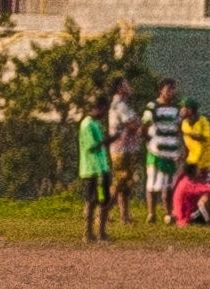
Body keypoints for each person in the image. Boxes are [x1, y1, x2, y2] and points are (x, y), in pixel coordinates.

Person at [104, 77, 144, 225]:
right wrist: (142, 124)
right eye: (126, 84)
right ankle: (103, 212)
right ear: (120, 88)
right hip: (121, 149)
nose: (129, 86)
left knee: (124, 184)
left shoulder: (121, 105)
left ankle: (124, 216)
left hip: (124, 148)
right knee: (120, 180)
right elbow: (133, 123)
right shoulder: (120, 106)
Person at [145, 79, 185, 220]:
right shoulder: (153, 106)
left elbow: (180, 129)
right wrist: (150, 142)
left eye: (173, 89)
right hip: (156, 152)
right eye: (168, 89)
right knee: (152, 183)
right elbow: (145, 124)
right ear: (161, 90)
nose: (171, 92)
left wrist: (182, 149)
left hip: (171, 152)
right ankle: (151, 213)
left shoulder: (176, 108)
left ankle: (168, 213)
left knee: (168, 185)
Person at [78, 102, 112, 244]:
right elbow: (91, 146)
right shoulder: (87, 125)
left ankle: (99, 233)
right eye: (103, 110)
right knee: (92, 201)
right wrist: (107, 140)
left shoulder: (95, 123)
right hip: (92, 169)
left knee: (103, 200)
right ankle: (90, 233)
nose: (104, 114)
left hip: (100, 168)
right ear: (95, 108)